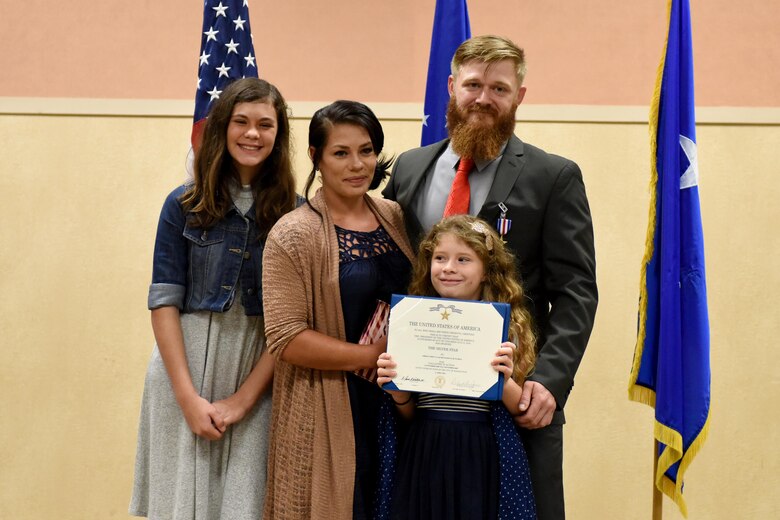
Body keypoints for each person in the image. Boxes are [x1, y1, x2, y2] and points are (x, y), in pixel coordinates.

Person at [382, 35, 598, 519]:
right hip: (420, 406)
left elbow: (576, 292)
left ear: (520, 96)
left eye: (498, 88)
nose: (483, 98)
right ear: (451, 87)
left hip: (513, 397)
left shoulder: (553, 176)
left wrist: (548, 382)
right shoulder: (412, 168)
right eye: (473, 84)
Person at [129, 77, 299, 520]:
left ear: (278, 135)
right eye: (241, 121)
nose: (252, 134)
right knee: (179, 505)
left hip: (258, 370)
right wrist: (187, 398)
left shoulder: (295, 213)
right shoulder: (183, 204)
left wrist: (242, 401)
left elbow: (292, 321)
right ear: (222, 127)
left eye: (265, 124)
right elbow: (164, 300)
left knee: (245, 503)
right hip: (183, 368)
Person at [261, 100, 415, 520]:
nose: (357, 165)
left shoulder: (395, 217)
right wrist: (371, 357)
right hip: (326, 407)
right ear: (316, 157)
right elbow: (285, 338)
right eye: (341, 153)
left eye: (366, 150)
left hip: (395, 405)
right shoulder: (292, 233)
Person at [376, 215, 537, 520]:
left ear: (487, 271)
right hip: (424, 447)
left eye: (463, 259)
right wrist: (397, 392)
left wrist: (503, 379)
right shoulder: (413, 322)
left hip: (479, 451)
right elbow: (410, 413)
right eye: (440, 258)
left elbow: (519, 408)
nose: (449, 267)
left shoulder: (503, 329)